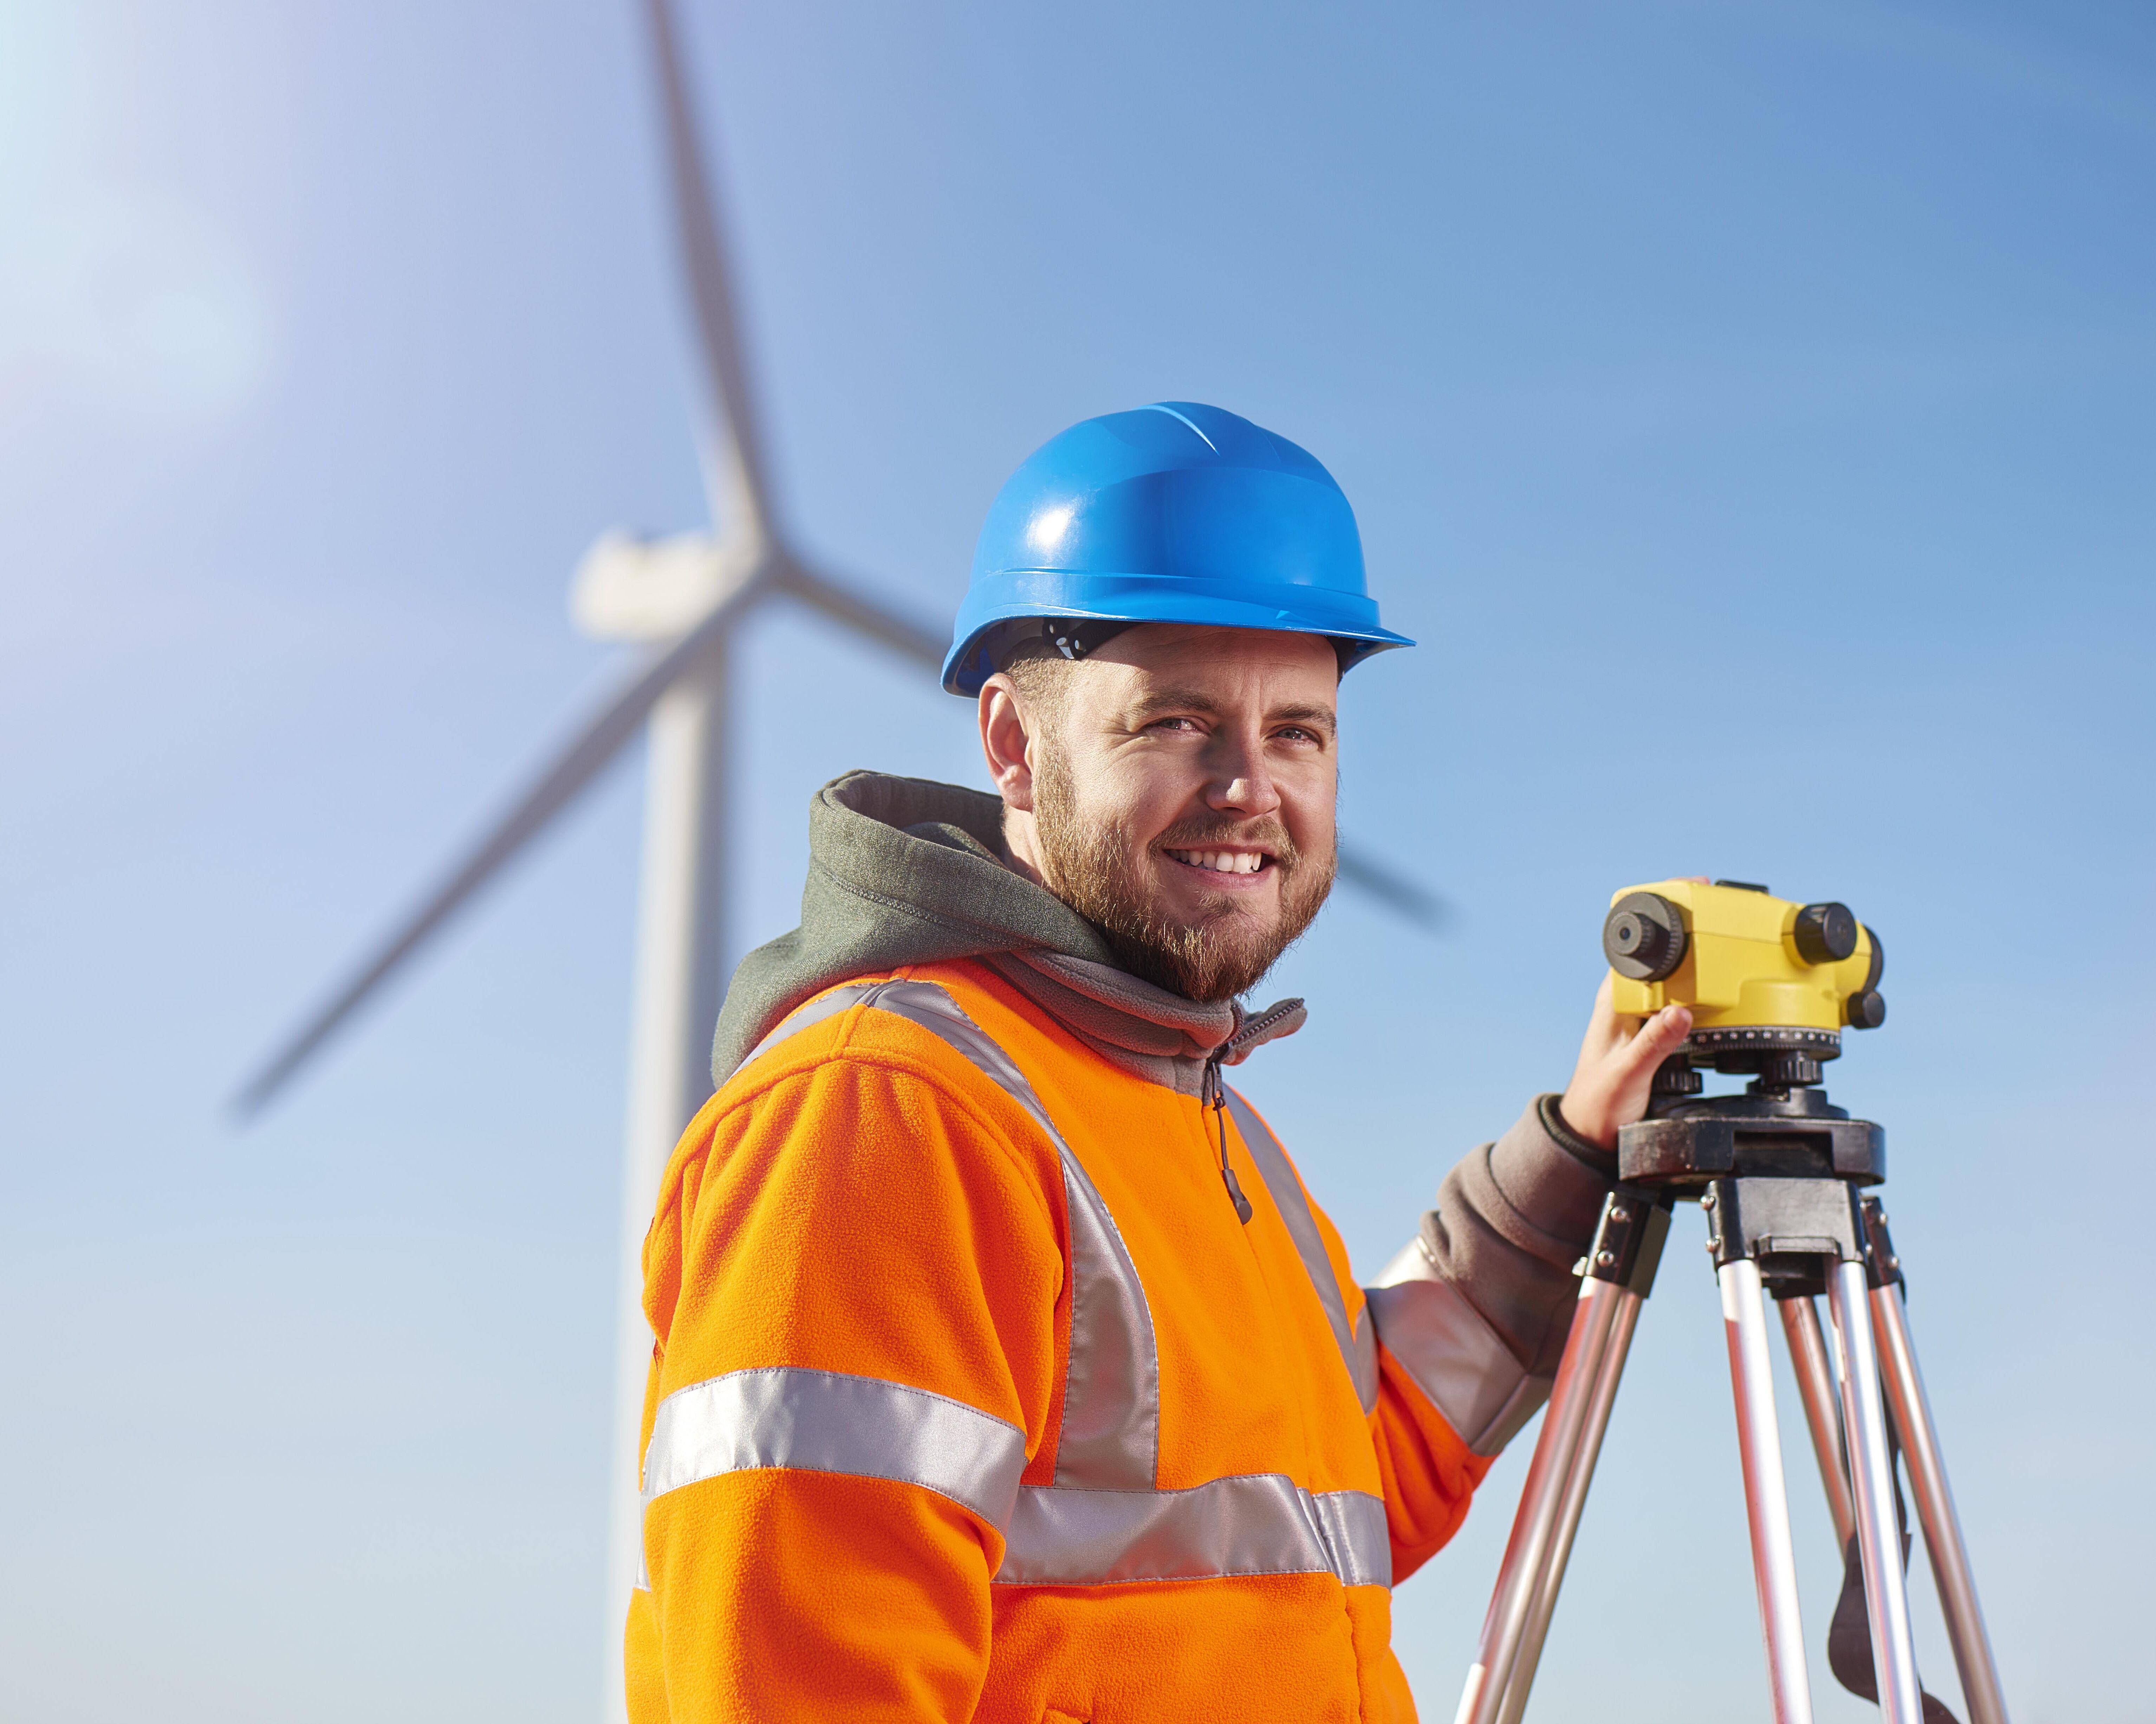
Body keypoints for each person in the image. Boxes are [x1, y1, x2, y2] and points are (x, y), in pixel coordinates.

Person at [621, 402, 1693, 1723]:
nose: (1251, 787)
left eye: (1297, 730)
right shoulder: (887, 1115)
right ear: (1013, 744)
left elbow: (1315, 1507)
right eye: (1177, 723)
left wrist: (1568, 1164)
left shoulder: (1182, 1105)